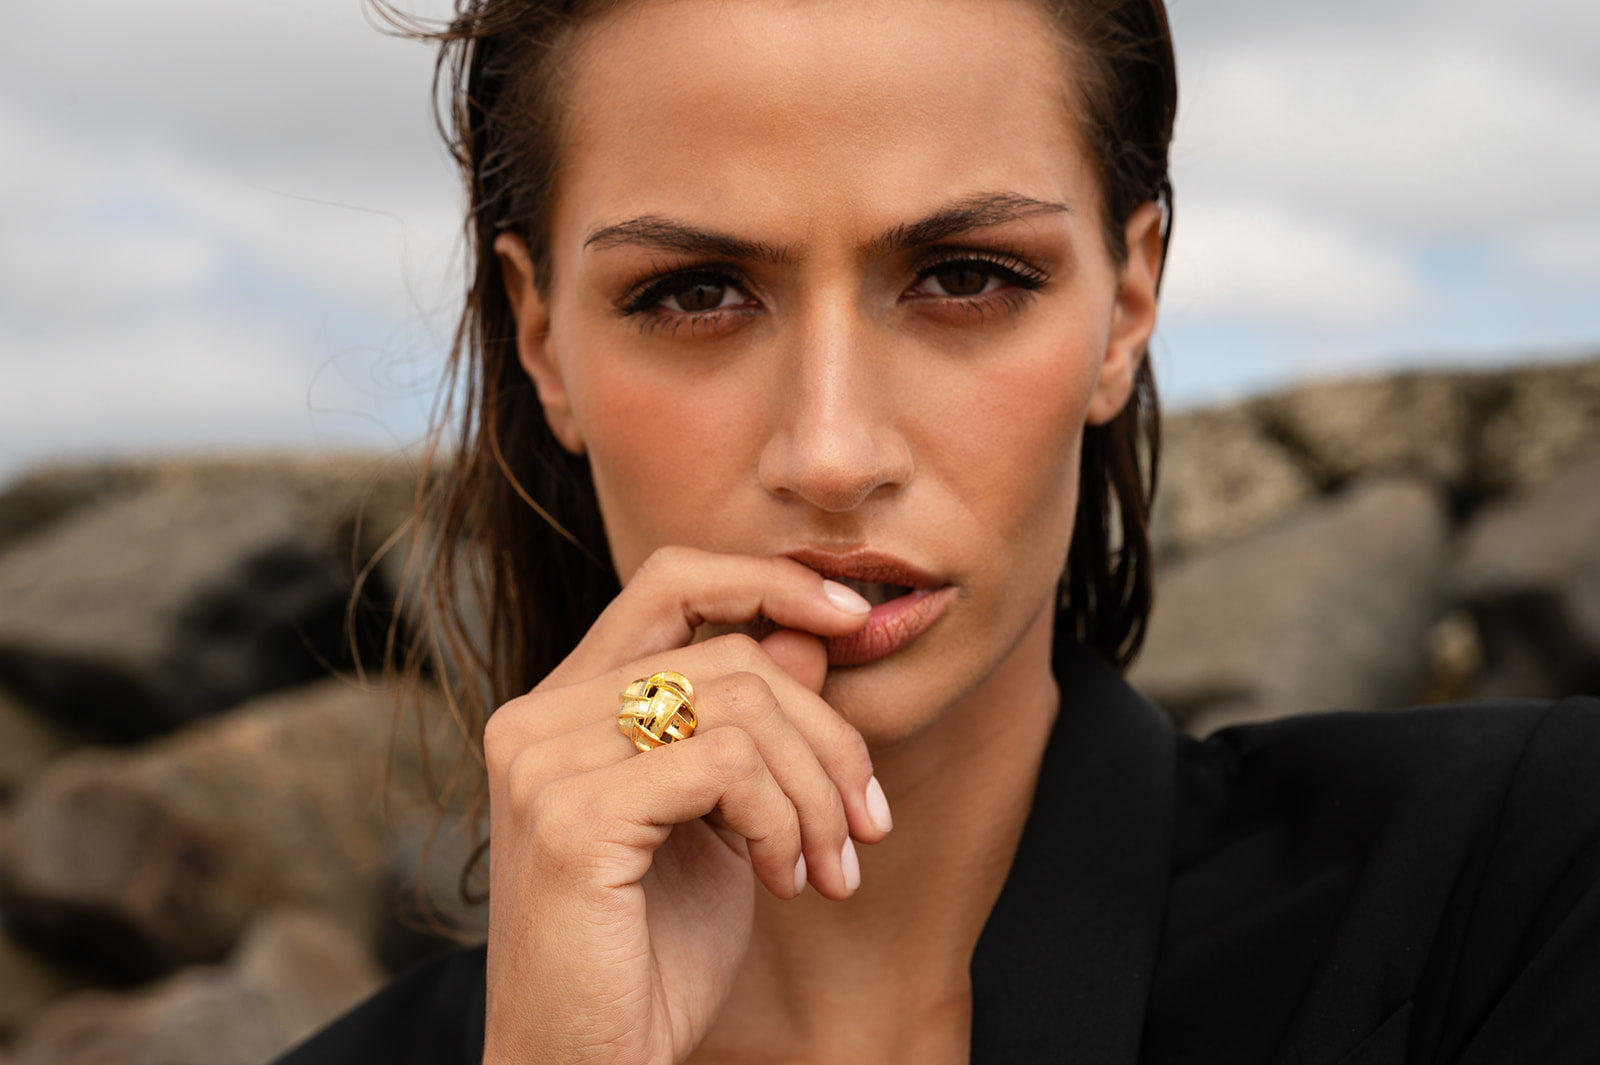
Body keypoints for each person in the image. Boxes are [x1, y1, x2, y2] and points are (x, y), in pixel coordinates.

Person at [277, 0, 1600, 1062]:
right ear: (544, 338)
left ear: (1129, 304)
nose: (835, 453)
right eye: (694, 292)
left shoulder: (1520, 879)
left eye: (968, 276)